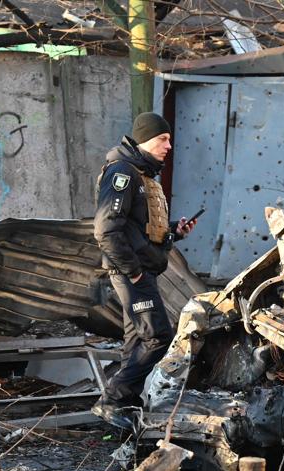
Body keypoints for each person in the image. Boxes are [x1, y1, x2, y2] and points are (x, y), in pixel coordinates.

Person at [91, 112, 196, 429]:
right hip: (130, 273)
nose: (169, 145)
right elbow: (106, 230)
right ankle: (113, 400)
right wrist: (134, 272)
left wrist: (175, 232)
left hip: (140, 269)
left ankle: (123, 408)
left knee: (136, 340)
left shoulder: (142, 174)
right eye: (163, 139)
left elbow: (141, 230)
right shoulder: (122, 173)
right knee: (158, 337)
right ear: (145, 139)